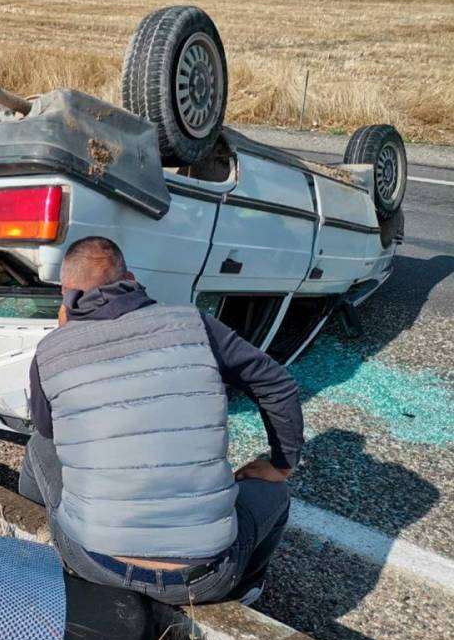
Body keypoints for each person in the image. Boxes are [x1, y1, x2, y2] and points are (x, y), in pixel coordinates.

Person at [19, 236, 303, 606]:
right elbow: (277, 383)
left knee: (40, 446)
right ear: (131, 278)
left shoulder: (50, 351)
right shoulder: (194, 325)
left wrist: (63, 337)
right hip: (204, 578)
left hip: (92, 561)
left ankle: (32, 533)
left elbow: (48, 430)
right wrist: (282, 463)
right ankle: (246, 588)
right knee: (275, 493)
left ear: (65, 296)